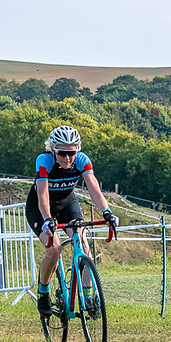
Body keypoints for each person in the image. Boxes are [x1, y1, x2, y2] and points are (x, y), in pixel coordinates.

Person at [26, 125, 119, 316]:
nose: (67, 158)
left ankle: (88, 297)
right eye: (62, 153)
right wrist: (47, 219)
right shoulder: (44, 160)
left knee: (84, 246)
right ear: (52, 150)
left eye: (72, 153)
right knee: (54, 249)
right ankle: (43, 292)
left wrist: (107, 213)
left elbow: (94, 190)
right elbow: (43, 196)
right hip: (40, 207)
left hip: (67, 203)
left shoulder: (82, 160)